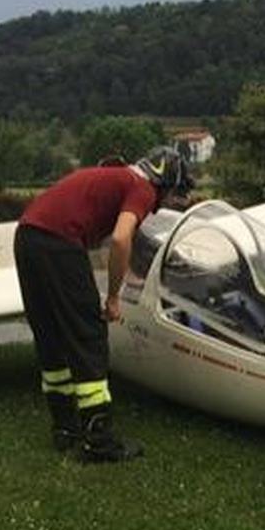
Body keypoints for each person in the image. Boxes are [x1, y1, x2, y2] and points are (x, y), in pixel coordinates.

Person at [14, 147, 192, 463]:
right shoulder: (142, 188)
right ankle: (99, 440)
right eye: (173, 193)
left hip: (27, 236)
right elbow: (123, 239)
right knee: (88, 336)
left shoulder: (115, 177)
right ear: (163, 183)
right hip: (59, 242)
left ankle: (64, 428)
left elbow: (108, 233)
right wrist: (112, 296)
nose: (165, 201)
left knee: (51, 333)